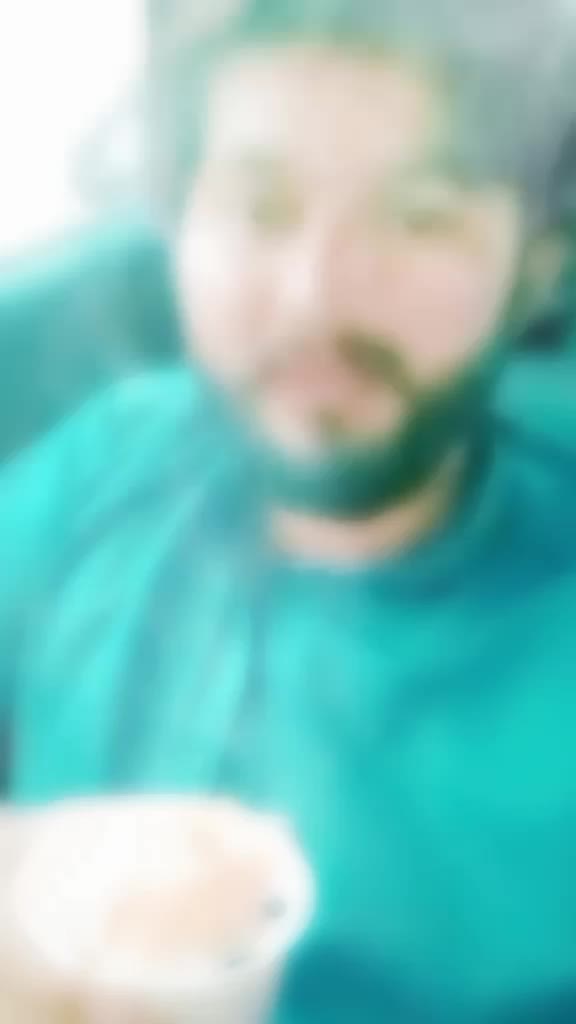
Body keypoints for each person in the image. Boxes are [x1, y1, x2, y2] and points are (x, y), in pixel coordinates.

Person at [1, 0, 576, 1019]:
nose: (315, 296)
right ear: (179, 229)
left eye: (419, 217)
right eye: (261, 210)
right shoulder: (105, 465)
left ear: (536, 268)